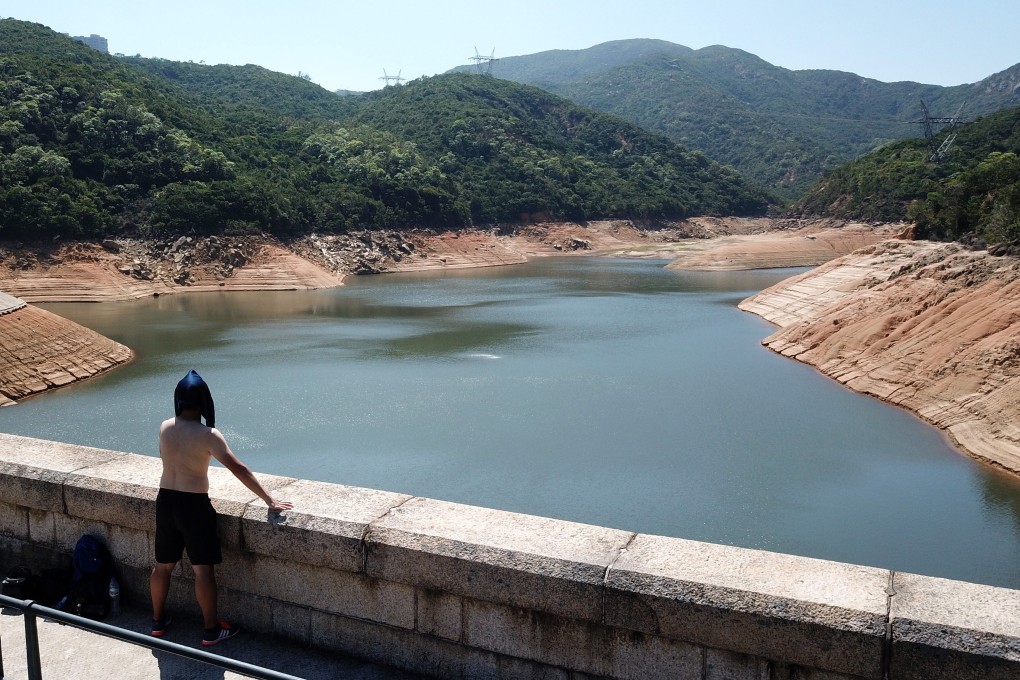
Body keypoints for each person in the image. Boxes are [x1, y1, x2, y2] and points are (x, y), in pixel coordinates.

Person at [150, 369, 292, 646]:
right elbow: (238, 468)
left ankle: (157, 622)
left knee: (162, 566)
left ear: (178, 399)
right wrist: (269, 500)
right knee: (202, 571)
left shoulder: (165, 426)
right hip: (193, 505)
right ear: (204, 401)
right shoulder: (209, 435)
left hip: (165, 501)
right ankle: (211, 630)